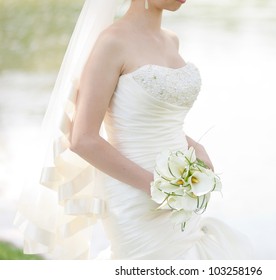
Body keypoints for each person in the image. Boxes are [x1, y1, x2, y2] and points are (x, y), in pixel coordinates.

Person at [15, 0, 252, 259]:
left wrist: (195, 146)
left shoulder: (171, 40)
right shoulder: (112, 42)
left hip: (180, 184)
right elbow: (82, 139)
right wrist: (154, 186)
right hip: (134, 188)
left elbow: (152, 118)